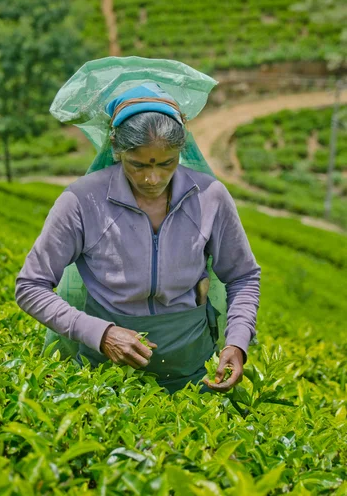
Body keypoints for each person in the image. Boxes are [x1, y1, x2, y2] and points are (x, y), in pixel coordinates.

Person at [15, 67, 261, 395]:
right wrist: (100, 333)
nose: (152, 179)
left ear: (182, 151)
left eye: (166, 164)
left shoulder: (210, 197)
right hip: (107, 379)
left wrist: (237, 342)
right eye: (139, 164)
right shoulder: (82, 200)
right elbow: (31, 286)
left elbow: (243, 276)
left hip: (194, 370)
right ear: (116, 148)